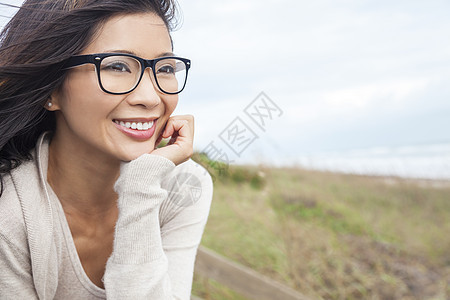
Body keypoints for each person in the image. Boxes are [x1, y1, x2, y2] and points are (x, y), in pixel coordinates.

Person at [0, 0, 213, 299]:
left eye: (164, 68)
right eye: (117, 66)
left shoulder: (182, 186)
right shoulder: (10, 211)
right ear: (51, 89)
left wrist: (141, 186)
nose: (151, 97)